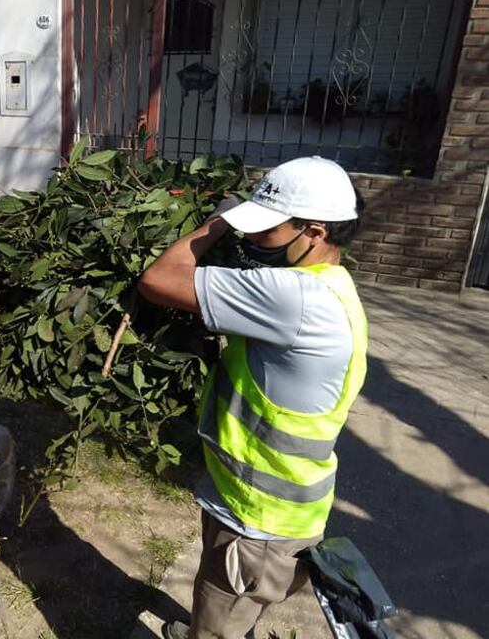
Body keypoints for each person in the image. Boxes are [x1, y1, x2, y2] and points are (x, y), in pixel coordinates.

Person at [137, 156, 368, 639]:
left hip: (256, 520)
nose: (253, 240)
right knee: (222, 601)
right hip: (278, 510)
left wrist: (214, 224)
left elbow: (158, 280)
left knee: (221, 621)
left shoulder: (292, 296)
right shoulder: (337, 289)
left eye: (266, 231)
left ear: (315, 232)